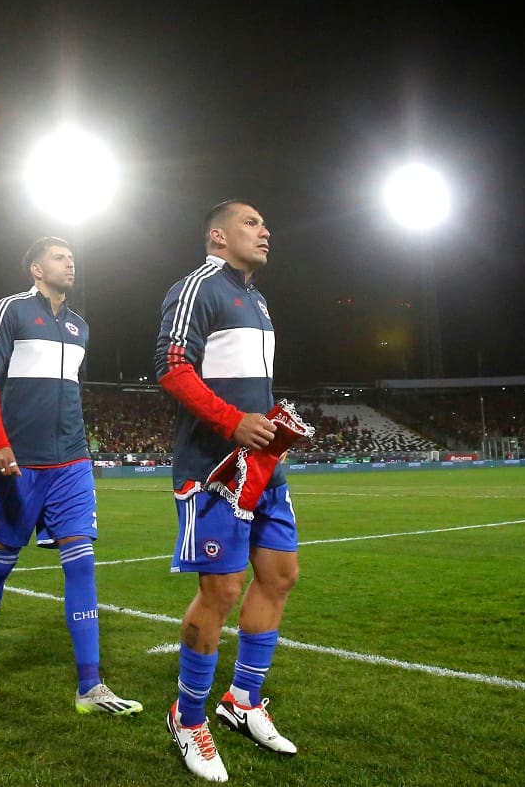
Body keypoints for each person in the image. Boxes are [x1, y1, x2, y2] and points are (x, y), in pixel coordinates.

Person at [0, 236, 142, 716]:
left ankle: (90, 686)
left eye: (72, 257)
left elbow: (70, 394)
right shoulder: (12, 310)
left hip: (72, 463)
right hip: (20, 462)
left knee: (81, 563)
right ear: (36, 268)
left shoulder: (81, 327)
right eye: (60, 257)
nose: (71, 263)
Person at [155, 201, 301, 782]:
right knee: (220, 590)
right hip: (212, 467)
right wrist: (232, 420)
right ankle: (188, 717)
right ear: (218, 234)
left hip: (265, 465)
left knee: (281, 575)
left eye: (267, 223)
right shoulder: (198, 286)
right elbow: (170, 365)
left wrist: (269, 424)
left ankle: (242, 700)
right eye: (251, 223)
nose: (266, 230)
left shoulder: (259, 301)